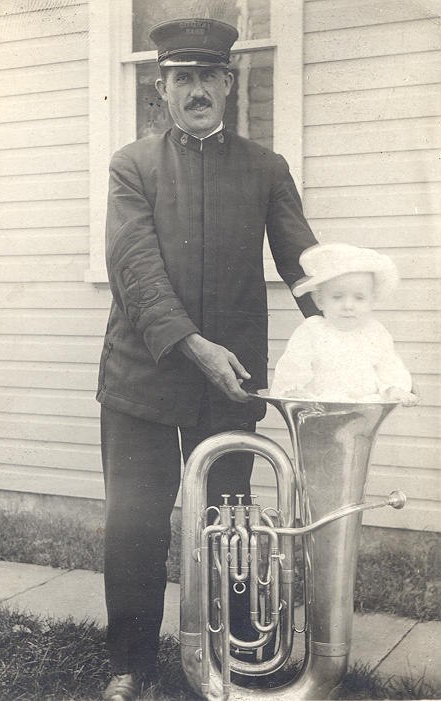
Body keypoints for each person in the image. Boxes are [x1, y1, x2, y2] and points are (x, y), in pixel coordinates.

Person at [97, 17, 319, 701]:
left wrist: (347, 331)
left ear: (229, 82)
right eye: (181, 78)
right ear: (160, 90)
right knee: (135, 521)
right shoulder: (131, 165)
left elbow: (305, 267)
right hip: (141, 375)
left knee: (230, 520)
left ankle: (236, 654)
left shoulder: (266, 169)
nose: (196, 90)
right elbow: (136, 274)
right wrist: (195, 345)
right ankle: (133, 663)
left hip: (229, 384)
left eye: (207, 77)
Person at [270, 242, 419, 406]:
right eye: (337, 297)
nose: (348, 306)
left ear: (372, 301)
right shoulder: (312, 330)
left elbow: (389, 365)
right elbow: (294, 364)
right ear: (320, 301)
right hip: (321, 406)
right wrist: (293, 390)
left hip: (366, 407)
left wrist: (395, 388)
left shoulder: (375, 332)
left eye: (359, 298)